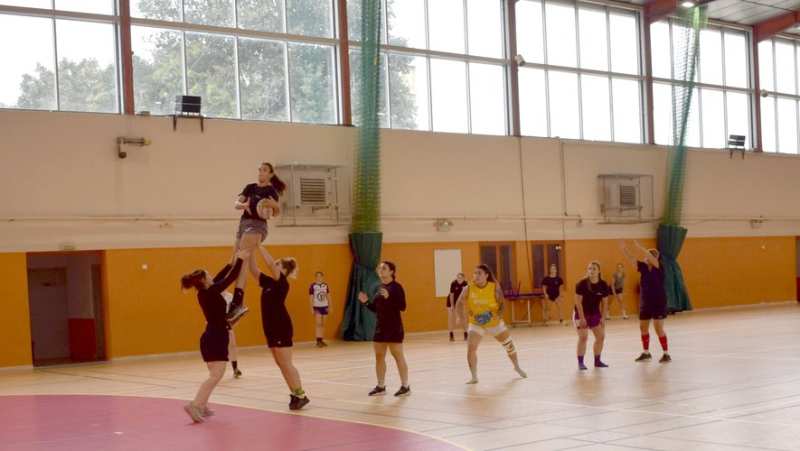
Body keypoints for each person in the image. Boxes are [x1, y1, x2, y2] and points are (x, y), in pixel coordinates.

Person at [179, 248, 250, 423]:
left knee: (214, 375)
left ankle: (202, 406)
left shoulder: (206, 291)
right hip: (215, 337)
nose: (212, 276)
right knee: (216, 375)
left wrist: (230, 263)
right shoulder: (210, 292)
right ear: (203, 280)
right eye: (208, 275)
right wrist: (240, 260)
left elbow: (220, 278)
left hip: (212, 336)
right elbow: (230, 279)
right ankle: (195, 405)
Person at [247, 242, 309, 410]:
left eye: (278, 264)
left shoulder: (282, 283)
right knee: (280, 364)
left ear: (284, 270)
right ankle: (295, 394)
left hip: (281, 326)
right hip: (270, 327)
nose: (275, 264)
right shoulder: (268, 282)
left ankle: (301, 395)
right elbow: (252, 269)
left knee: (286, 363)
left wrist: (259, 246)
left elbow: (268, 263)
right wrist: (250, 250)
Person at [226, 162, 285, 325]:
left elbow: (275, 211)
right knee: (238, 262)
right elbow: (236, 204)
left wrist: (274, 207)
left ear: (270, 175)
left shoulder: (270, 190)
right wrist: (243, 205)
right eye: (259, 169)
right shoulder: (250, 188)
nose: (260, 172)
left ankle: (237, 303)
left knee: (241, 260)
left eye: (264, 170)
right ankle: (237, 303)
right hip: (243, 224)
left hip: (257, 226)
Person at [458, 264, 527, 384]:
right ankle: (474, 376)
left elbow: (502, 304)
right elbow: (459, 302)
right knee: (471, 348)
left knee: (509, 346)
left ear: (486, 275)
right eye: (475, 273)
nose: (476, 275)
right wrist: (460, 317)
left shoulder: (494, 287)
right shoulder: (469, 288)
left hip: (494, 322)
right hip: (476, 323)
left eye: (479, 273)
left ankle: (517, 366)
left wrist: (498, 315)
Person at [358, 261, 411, 397]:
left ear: (392, 271)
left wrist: (389, 298)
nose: (381, 270)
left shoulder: (397, 288)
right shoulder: (377, 287)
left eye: (384, 268)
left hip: (394, 326)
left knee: (397, 355)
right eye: (380, 268)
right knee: (379, 356)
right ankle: (381, 386)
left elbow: (402, 306)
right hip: (380, 327)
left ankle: (405, 386)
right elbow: (376, 309)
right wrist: (366, 302)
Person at [620, 239, 671, 363]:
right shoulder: (643, 268)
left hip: (658, 302)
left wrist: (640, 247)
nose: (645, 258)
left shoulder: (659, 267)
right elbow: (632, 260)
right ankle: (646, 352)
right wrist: (623, 248)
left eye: (647, 256)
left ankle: (666, 354)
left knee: (658, 328)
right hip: (645, 302)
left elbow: (651, 257)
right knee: (643, 327)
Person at [574, 261, 610, 370]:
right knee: (583, 337)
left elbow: (604, 303)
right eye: (590, 268)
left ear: (599, 271)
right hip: (581, 313)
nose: (592, 271)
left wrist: (603, 318)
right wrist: (582, 318)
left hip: (595, 313)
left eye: (594, 269)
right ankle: (581, 362)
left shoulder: (603, 285)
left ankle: (597, 361)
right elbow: (578, 302)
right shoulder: (581, 284)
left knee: (601, 337)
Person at [309, 271, 331, 347]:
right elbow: (311, 297)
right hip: (317, 307)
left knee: (323, 324)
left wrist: (330, 306)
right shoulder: (313, 286)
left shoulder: (325, 286)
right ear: (316, 277)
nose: (318, 278)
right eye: (317, 276)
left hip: (324, 306)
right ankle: (318, 340)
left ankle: (321, 339)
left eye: (320, 276)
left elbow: (328, 296)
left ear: (322, 277)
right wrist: (311, 308)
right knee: (318, 323)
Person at [447, 273, 469, 341]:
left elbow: (466, 295)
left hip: (460, 302)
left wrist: (462, 304)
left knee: (464, 317)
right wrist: (452, 306)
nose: (459, 279)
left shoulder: (466, 284)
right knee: (451, 317)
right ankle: (451, 335)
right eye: (458, 277)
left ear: (464, 278)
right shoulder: (454, 283)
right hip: (451, 301)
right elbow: (451, 295)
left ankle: (466, 334)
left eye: (461, 278)